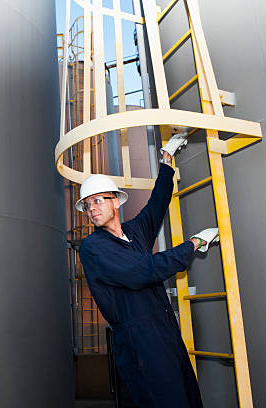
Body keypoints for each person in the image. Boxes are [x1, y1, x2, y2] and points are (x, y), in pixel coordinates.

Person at [77, 133, 220, 407]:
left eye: (98, 200)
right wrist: (193, 244)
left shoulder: (134, 232)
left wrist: (166, 162)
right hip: (140, 343)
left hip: (166, 331)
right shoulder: (94, 247)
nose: (92, 208)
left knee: (190, 398)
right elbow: (143, 271)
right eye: (87, 204)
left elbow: (156, 205)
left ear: (116, 201)